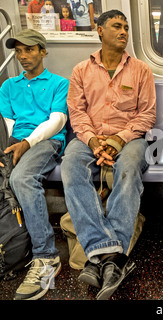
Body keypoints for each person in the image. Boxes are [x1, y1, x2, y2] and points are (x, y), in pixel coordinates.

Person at [61, 10, 156, 300]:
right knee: (70, 166)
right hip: (89, 138)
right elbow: (76, 113)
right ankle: (112, 257)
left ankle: (98, 259)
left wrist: (118, 140)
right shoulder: (81, 71)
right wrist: (93, 141)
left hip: (129, 138)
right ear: (99, 30)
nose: (124, 31)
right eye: (116, 26)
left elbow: (147, 115)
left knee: (128, 170)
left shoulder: (141, 69)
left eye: (127, 27)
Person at [0, 29, 69, 300]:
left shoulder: (58, 83)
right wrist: (10, 151)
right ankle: (14, 248)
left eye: (29, 50)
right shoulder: (8, 86)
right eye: (18, 51)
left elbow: (57, 122)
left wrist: (26, 143)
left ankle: (47, 257)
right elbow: (10, 126)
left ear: (43, 51)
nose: (23, 56)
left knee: (21, 179)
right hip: (18, 142)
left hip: (46, 141)